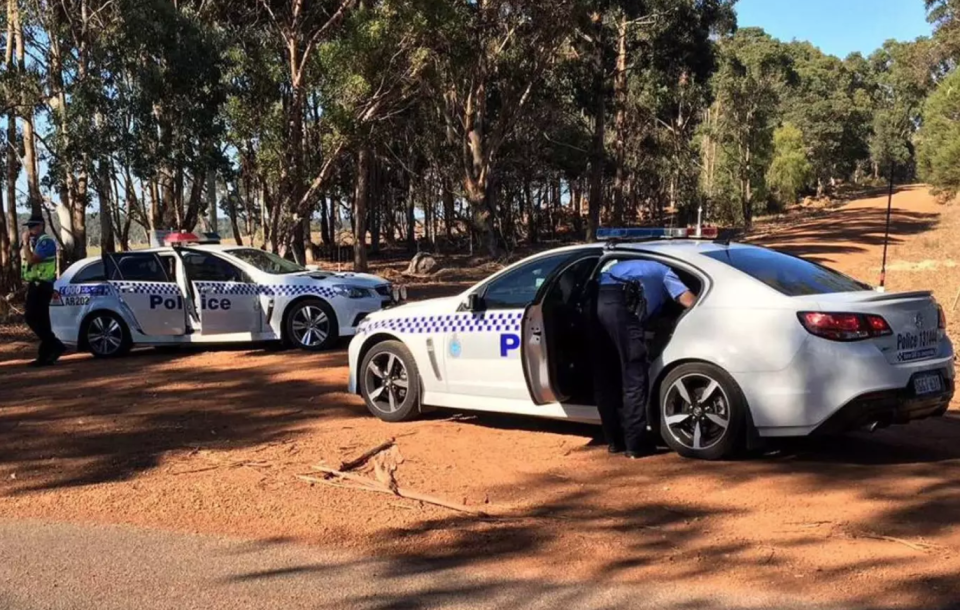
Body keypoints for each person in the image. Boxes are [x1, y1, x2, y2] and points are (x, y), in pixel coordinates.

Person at [591, 259, 697, 458]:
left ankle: (614, 441)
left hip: (597, 302)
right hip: (621, 306)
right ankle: (636, 444)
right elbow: (688, 300)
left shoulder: (616, 265)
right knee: (635, 375)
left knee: (605, 376)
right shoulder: (666, 270)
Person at [21, 213, 66, 367]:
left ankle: (54, 345)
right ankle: (46, 355)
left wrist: (25, 244)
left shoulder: (46, 242)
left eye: (33, 227)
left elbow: (33, 260)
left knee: (32, 317)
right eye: (29, 227)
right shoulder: (38, 242)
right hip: (37, 284)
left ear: (41, 226)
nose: (30, 230)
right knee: (42, 321)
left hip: (42, 286)